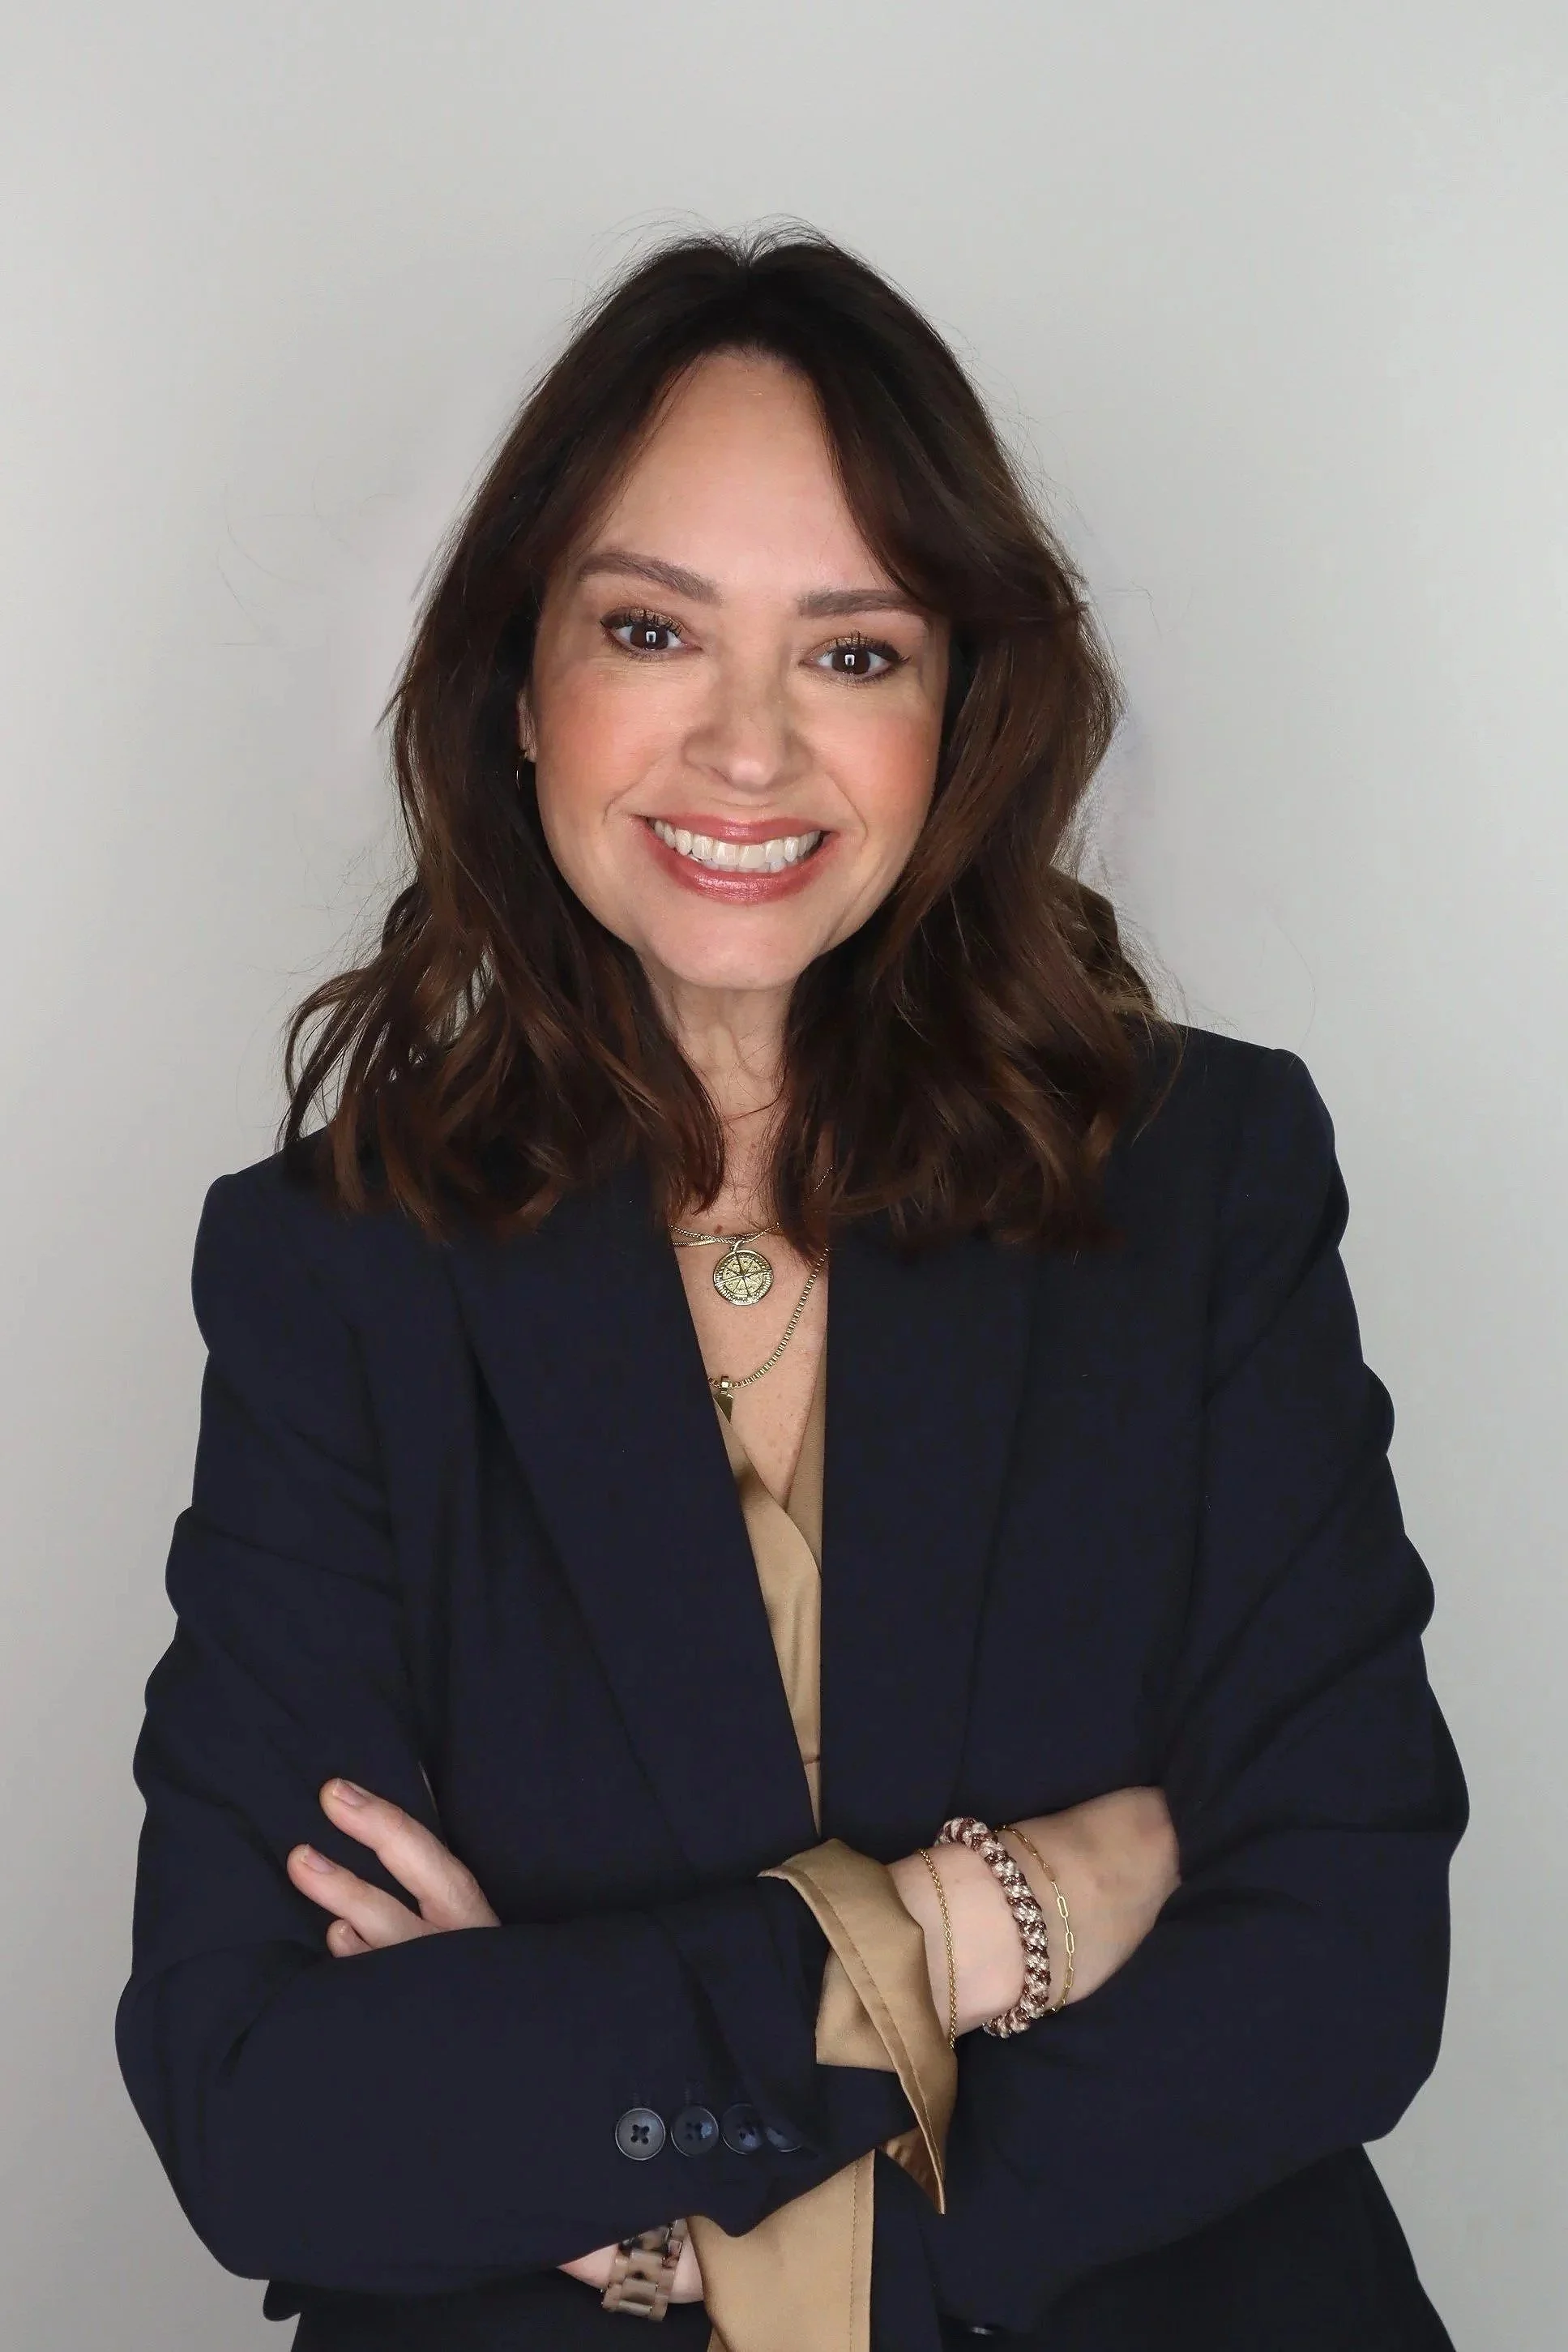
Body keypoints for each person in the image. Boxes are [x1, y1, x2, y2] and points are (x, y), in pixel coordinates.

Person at [116, 228, 1466, 2352]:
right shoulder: (333, 1274)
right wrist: (975, 1925)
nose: (745, 752)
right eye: (651, 628)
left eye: (851, 651)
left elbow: (1340, 1944)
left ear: (960, 708)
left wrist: (697, 2210)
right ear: (517, 684)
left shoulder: (1202, 1178)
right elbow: (269, 2110)